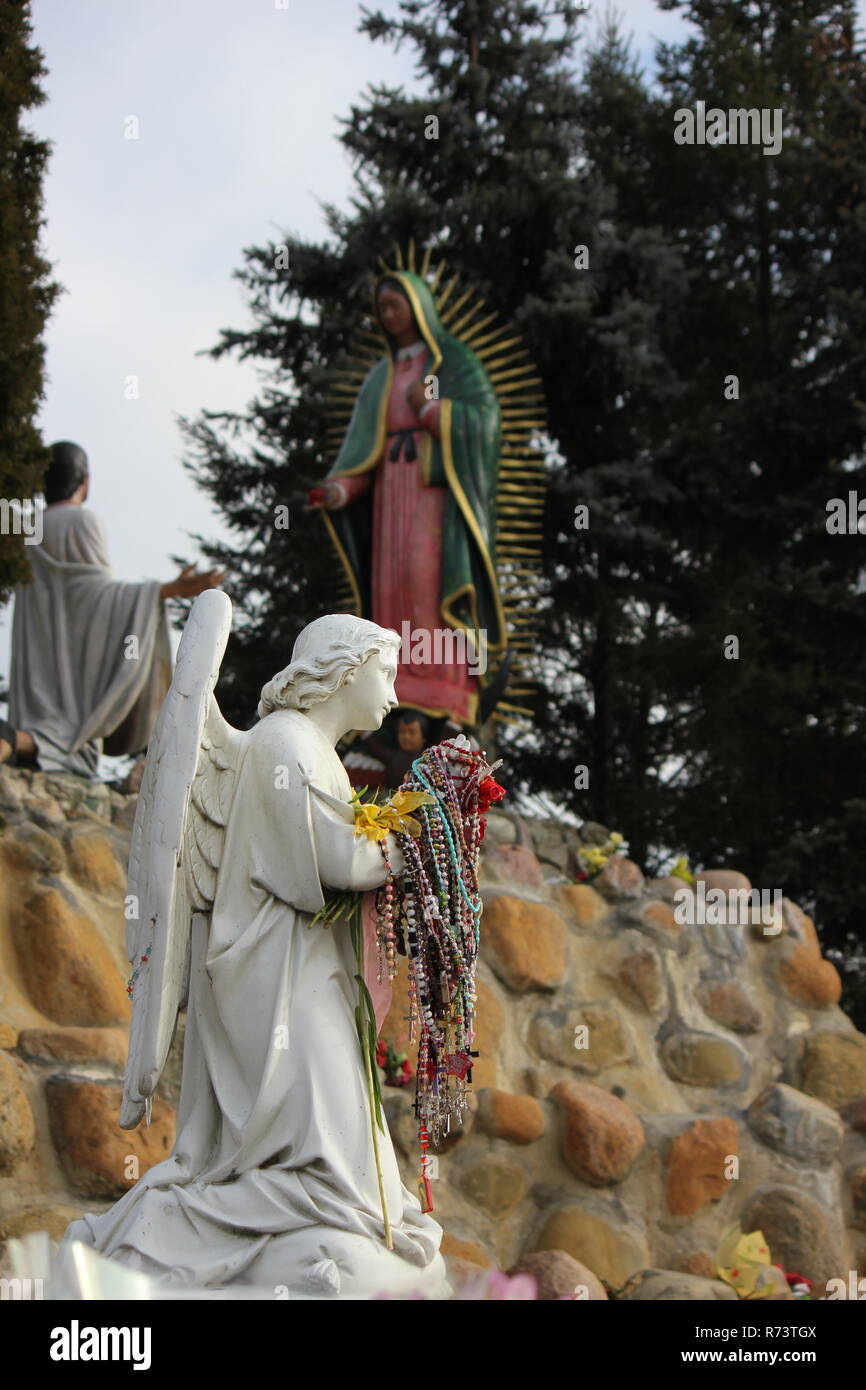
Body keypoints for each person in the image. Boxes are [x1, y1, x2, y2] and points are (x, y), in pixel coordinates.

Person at [63, 606, 451, 1299]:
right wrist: (425, 835)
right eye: (384, 675)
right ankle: (148, 1239)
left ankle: (326, 1230)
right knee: (312, 1134)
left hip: (302, 977)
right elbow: (339, 860)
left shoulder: (313, 750)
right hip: (270, 981)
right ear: (343, 668)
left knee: (339, 1132)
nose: (392, 698)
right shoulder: (285, 744)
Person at [308, 271, 507, 729]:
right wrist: (339, 490)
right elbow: (362, 454)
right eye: (383, 308)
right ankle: (391, 687)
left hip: (433, 493)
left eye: (396, 304)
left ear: (419, 306)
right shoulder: (380, 377)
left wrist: (432, 409)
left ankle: (446, 692)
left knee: (424, 579)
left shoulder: (454, 362)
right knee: (390, 590)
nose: (388, 314)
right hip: (388, 496)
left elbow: (486, 425)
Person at [0, 441, 224, 777]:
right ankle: (23, 742)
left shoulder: (25, 530)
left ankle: (20, 741)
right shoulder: (82, 521)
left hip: (38, 649)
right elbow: (97, 597)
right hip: (73, 659)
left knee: (46, 723)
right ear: (85, 481)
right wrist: (165, 591)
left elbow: (80, 595)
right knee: (66, 731)